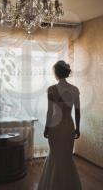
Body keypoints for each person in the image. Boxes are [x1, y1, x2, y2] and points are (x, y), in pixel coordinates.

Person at [38, 60, 82, 190]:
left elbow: (50, 111)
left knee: (56, 155)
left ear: (56, 73)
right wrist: (78, 128)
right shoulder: (75, 89)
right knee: (67, 156)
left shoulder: (52, 89)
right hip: (69, 126)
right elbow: (78, 111)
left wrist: (46, 128)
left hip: (55, 127)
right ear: (67, 72)